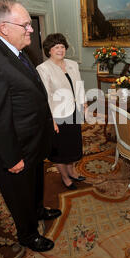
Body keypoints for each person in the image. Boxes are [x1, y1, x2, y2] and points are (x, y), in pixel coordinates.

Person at [0, 0, 61, 252]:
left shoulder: (18, 51)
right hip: (15, 148)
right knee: (18, 194)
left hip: (34, 139)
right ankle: (27, 234)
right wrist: (11, 158)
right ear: (3, 28)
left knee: (35, 183)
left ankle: (38, 210)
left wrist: (49, 119)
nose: (30, 29)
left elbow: (32, 92)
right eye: (24, 25)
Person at [36, 33, 87, 190]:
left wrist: (84, 104)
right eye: (56, 47)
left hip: (74, 111)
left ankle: (71, 171)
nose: (60, 50)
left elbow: (79, 86)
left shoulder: (73, 64)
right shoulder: (43, 69)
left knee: (73, 146)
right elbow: (47, 97)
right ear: (49, 50)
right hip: (58, 115)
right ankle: (65, 178)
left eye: (62, 46)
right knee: (60, 150)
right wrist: (51, 120)